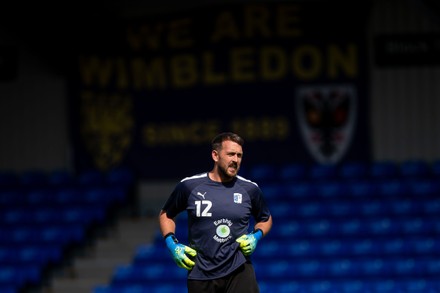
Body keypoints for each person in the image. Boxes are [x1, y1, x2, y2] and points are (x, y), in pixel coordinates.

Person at [158, 132, 273, 293]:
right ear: (215, 155)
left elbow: (266, 218)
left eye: (239, 155)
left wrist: (256, 236)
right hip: (200, 273)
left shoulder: (250, 189)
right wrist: (172, 243)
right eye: (231, 154)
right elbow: (166, 214)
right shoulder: (189, 186)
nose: (235, 160)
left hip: (239, 269)